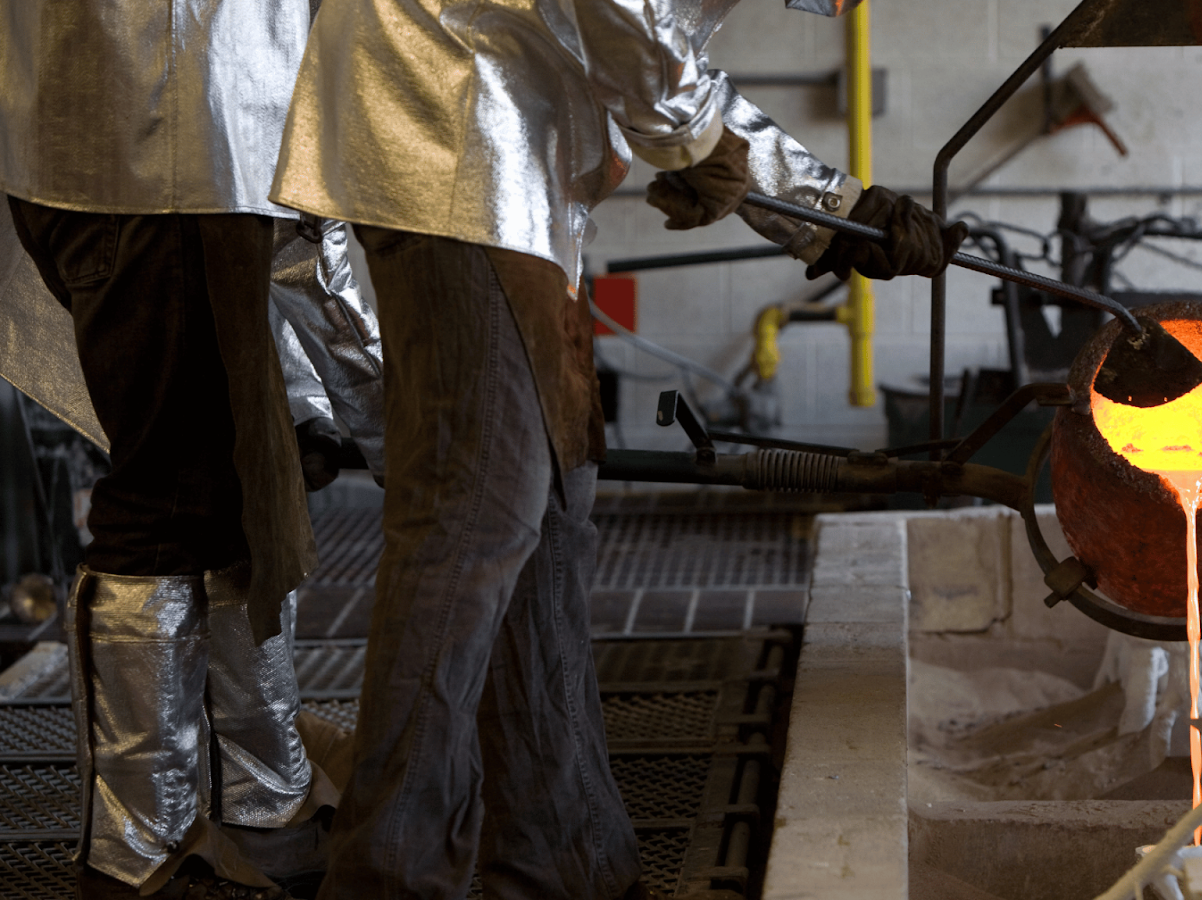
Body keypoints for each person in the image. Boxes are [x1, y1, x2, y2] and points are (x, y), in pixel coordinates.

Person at [271, 1, 964, 897]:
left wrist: (831, 208)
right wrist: (697, 142)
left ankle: (566, 864)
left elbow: (653, 49)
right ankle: (388, 878)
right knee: (472, 529)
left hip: (511, 164)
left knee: (548, 516)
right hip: (456, 131)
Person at [0, 2, 359, 897]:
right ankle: (145, 846)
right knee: (166, 505)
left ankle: (265, 802)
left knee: (227, 492)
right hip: (160, 140)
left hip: (161, 136)